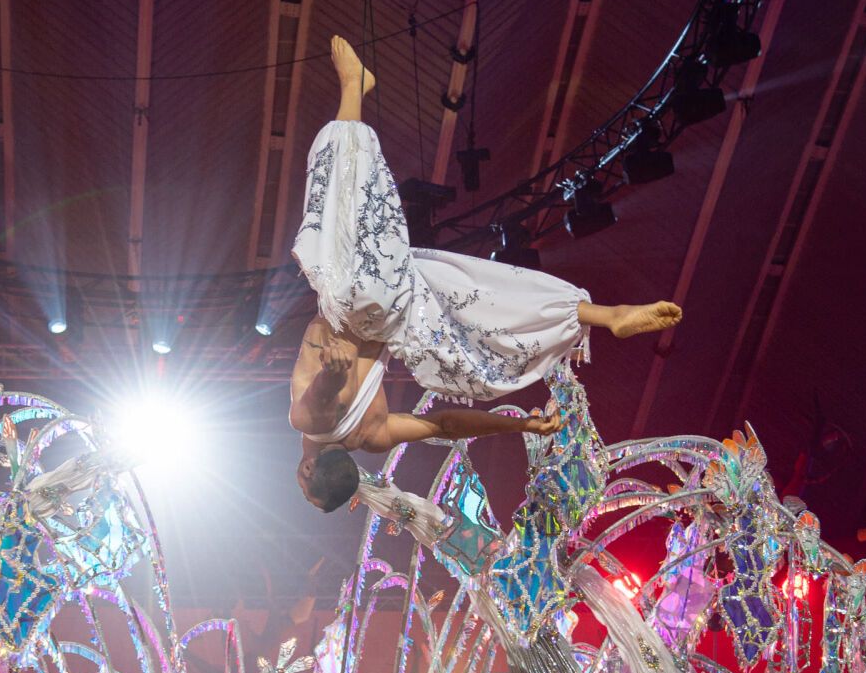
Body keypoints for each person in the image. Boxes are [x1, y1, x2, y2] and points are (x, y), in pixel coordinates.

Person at [289, 36, 683, 511]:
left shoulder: (371, 438)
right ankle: (353, 85)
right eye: (305, 488)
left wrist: (516, 426)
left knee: (487, 299)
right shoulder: (306, 420)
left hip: (407, 314)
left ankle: (602, 314)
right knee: (337, 192)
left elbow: (445, 427)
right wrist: (332, 372)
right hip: (365, 299)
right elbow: (323, 396)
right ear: (310, 471)